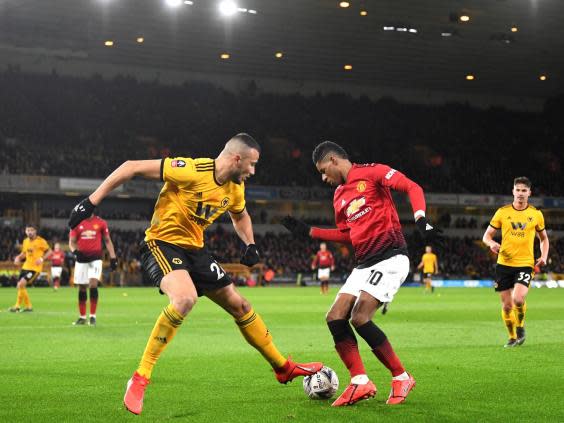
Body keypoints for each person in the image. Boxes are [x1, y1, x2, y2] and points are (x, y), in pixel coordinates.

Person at [68, 133, 322, 415]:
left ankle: (282, 368)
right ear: (237, 158)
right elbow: (131, 167)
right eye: (251, 164)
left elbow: (240, 216)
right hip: (160, 244)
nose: (253, 171)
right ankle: (140, 377)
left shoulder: (235, 188)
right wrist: (90, 202)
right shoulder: (190, 170)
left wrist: (250, 244)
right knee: (185, 298)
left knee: (240, 305)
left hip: (196, 251)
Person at [282, 141, 441, 407]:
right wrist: (309, 232)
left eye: (323, 171)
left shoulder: (372, 172)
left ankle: (401, 376)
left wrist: (421, 219)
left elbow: (412, 187)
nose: (323, 178)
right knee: (334, 317)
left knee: (360, 316)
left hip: (390, 256)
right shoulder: (338, 196)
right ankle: (359, 381)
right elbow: (347, 235)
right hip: (364, 263)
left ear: (333, 160)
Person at [482, 176, 549, 348]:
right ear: (513, 191)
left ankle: (520, 327)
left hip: (525, 263)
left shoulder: (535, 214)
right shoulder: (502, 212)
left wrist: (544, 255)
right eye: (518, 190)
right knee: (506, 306)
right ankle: (512, 337)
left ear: (529, 193)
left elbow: (544, 239)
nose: (520, 193)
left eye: (524, 190)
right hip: (504, 264)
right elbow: (486, 236)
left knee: (518, 299)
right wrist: (492, 244)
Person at [69, 211, 117, 326]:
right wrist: (75, 252)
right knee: (82, 287)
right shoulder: (76, 222)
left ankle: (92, 316)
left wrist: (113, 257)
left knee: (93, 284)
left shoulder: (100, 222)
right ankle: (82, 317)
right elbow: (72, 242)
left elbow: (107, 240)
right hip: (81, 259)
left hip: (95, 258)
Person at [9, 225, 51, 312]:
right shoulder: (25, 241)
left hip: (35, 269)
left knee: (21, 284)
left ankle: (18, 306)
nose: (30, 232)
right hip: (25, 267)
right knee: (20, 286)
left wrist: (42, 259)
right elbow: (24, 253)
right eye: (28, 230)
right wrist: (18, 258)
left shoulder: (41, 241)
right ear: (25, 231)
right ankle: (27, 307)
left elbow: (50, 251)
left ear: (35, 231)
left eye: (31, 230)